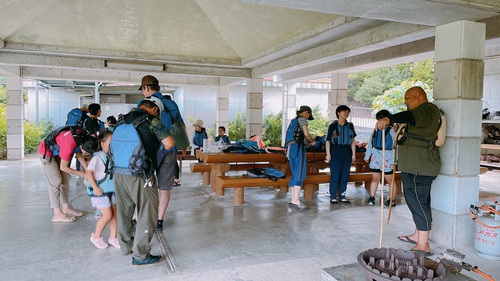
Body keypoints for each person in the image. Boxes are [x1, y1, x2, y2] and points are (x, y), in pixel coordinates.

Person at [375, 86, 441, 256]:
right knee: (419, 201)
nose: (405, 102)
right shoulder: (423, 112)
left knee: (418, 202)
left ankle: (423, 243)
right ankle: (418, 234)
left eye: (407, 98)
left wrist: (388, 119)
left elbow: (409, 116)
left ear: (418, 96)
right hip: (415, 165)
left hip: (419, 166)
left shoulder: (426, 109)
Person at [113, 97, 175, 266]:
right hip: (140, 174)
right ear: (154, 109)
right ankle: (141, 255)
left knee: (124, 211)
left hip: (118, 172)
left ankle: (125, 247)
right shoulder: (152, 121)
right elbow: (169, 143)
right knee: (147, 212)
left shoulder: (121, 120)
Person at [138, 75, 184, 231]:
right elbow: (180, 127)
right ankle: (159, 220)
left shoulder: (143, 104)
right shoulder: (171, 103)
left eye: (143, 89)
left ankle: (145, 218)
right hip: (168, 148)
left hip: (148, 151)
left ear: (147, 88)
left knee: (145, 185)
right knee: (164, 187)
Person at [38, 127, 98, 223]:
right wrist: (82, 174)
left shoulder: (82, 136)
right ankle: (57, 213)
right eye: (86, 153)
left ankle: (66, 207)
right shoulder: (70, 143)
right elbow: (63, 167)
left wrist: (86, 167)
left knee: (65, 179)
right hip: (47, 154)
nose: (86, 155)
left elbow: (78, 151)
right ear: (83, 147)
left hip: (59, 153)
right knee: (56, 181)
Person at [85, 129, 120, 249]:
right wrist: (95, 187)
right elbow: (89, 173)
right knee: (107, 215)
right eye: (111, 141)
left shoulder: (111, 155)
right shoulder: (97, 158)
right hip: (100, 192)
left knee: (114, 215)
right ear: (102, 143)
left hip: (111, 190)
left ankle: (113, 238)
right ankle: (96, 236)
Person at [364, 110, 397, 207]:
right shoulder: (375, 130)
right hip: (376, 156)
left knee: (390, 180)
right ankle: (372, 197)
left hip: (387, 156)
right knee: (375, 178)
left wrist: (396, 159)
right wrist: (367, 156)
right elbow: (370, 144)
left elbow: (396, 144)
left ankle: (392, 200)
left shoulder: (392, 130)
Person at [325, 105, 357, 204]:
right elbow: (328, 141)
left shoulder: (350, 125)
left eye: (347, 112)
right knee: (335, 174)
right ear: (338, 113)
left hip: (347, 151)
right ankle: (333, 196)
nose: (346, 114)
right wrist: (328, 154)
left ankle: (342, 195)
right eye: (344, 111)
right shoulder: (333, 126)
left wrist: (353, 154)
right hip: (336, 150)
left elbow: (353, 140)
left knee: (345, 174)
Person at [287, 106, 316, 209]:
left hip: (290, 148)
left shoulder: (293, 121)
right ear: (305, 112)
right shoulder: (302, 119)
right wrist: (313, 142)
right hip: (298, 148)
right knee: (300, 173)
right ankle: (295, 200)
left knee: (295, 173)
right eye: (308, 115)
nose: (308, 117)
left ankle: (293, 199)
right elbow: (306, 134)